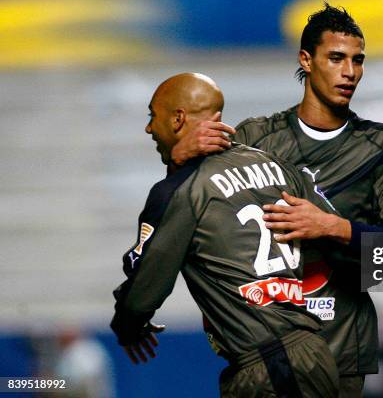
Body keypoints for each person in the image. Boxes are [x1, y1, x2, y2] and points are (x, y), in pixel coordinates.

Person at [171, 4, 383, 396]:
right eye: (336, 58)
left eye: (358, 60)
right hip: (264, 353)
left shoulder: (379, 145)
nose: (349, 71)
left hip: (341, 349)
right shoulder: (255, 138)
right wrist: (181, 155)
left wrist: (331, 227)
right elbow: (195, 219)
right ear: (306, 59)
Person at [110, 72, 340, 397]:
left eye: (152, 115)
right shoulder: (281, 168)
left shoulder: (181, 190)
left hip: (267, 367)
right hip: (314, 353)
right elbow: (336, 241)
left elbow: (145, 289)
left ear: (177, 119)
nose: (149, 128)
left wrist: (127, 326)